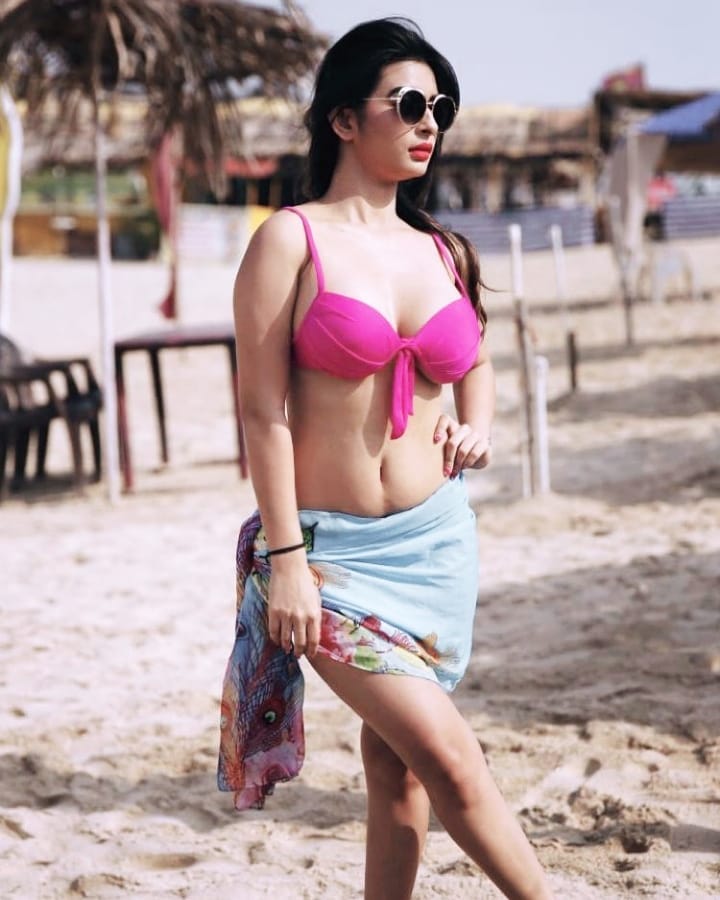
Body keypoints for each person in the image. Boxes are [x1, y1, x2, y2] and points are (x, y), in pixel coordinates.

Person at [218, 17, 554, 900]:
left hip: (436, 547)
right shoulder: (290, 240)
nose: (428, 122)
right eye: (408, 103)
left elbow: (476, 362)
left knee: (397, 770)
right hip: (331, 561)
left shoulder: (442, 249)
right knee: (451, 759)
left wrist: (479, 427)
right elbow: (260, 412)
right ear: (342, 118)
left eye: (440, 107)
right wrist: (287, 562)